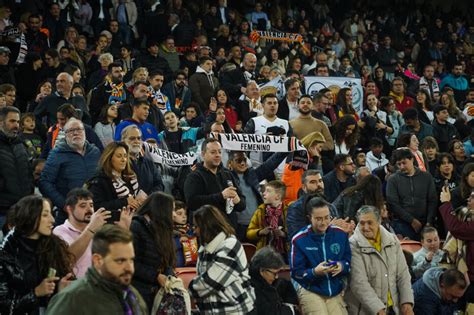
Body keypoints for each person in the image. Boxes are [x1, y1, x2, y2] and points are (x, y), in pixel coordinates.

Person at [46, 225, 148, 314]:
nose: (129, 268)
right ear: (98, 260)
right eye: (120, 261)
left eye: (131, 260)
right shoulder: (71, 299)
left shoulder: (133, 295)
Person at [0, 195, 74, 314]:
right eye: (45, 215)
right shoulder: (6, 254)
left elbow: (66, 280)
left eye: (50, 213)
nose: (52, 220)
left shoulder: (54, 246)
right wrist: (36, 293)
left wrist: (61, 290)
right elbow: (4, 306)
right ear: (30, 217)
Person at [345, 205, 414, 315]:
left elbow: (403, 274)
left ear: (379, 221)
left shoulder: (392, 240)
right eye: (362, 223)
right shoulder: (352, 245)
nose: (366, 227)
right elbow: (359, 283)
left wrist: (407, 302)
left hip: (393, 309)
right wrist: (378, 309)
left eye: (370, 223)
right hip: (366, 311)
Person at [189, 205, 256, 314]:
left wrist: (186, 292)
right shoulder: (204, 248)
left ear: (208, 227)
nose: (194, 231)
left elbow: (211, 282)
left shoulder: (230, 245)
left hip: (237, 311)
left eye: (196, 226)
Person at [290, 197, 351, 314]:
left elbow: (348, 262)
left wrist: (341, 266)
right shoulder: (299, 240)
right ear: (309, 218)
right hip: (310, 289)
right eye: (318, 219)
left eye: (327, 218)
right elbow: (296, 273)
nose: (323, 222)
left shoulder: (340, 235)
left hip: (335, 289)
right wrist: (314, 272)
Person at [40, 118, 100, 224]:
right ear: (65, 134)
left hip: (94, 212)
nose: (76, 133)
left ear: (84, 132)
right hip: (68, 215)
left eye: (79, 129)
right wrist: (64, 204)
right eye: (71, 130)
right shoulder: (57, 154)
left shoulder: (95, 152)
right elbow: (45, 182)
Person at [184, 138, 246, 228]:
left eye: (219, 152)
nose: (217, 155)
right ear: (203, 154)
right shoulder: (194, 177)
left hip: (230, 229)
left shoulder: (228, 174)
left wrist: (238, 201)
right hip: (207, 230)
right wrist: (221, 196)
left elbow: (242, 204)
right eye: (213, 152)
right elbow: (192, 202)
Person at [227, 150, 288, 241]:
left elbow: (269, 165)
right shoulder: (225, 178)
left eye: (245, 159)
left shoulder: (252, 174)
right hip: (237, 227)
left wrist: (285, 149)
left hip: (257, 225)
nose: (243, 163)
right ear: (230, 163)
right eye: (238, 160)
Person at [130, 192, 176, 309]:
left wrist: (169, 276)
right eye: (172, 210)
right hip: (139, 293)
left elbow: (168, 261)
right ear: (161, 210)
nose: (174, 215)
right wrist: (156, 276)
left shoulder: (164, 229)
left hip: (158, 292)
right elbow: (131, 263)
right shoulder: (136, 226)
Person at [386, 148, 437, 240]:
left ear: (412, 160)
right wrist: (412, 220)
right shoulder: (392, 180)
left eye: (404, 163)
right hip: (402, 224)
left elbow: (432, 200)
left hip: (425, 223)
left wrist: (429, 222)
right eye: (399, 164)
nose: (401, 167)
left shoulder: (426, 177)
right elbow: (393, 204)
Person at [86, 141, 145, 212]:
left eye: (125, 156)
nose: (124, 160)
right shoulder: (99, 180)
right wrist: (124, 202)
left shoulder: (131, 176)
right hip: (112, 220)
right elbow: (96, 206)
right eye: (119, 156)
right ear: (109, 158)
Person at [0, 106, 34, 228]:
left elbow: (28, 173)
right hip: (2, 212)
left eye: (18, 122)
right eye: (12, 121)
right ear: (1, 122)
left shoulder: (21, 144)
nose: (16, 125)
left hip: (22, 209)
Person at [249, 246, 298, 315]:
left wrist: (289, 304)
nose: (276, 277)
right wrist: (290, 309)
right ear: (262, 270)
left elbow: (288, 289)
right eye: (274, 273)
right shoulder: (253, 289)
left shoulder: (273, 281)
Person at [247, 180, 289, 256]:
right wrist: (260, 232)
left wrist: (283, 234)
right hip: (264, 254)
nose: (263, 193)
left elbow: (295, 233)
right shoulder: (260, 211)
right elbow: (249, 233)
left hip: (285, 254)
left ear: (278, 196)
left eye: (268, 191)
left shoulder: (289, 212)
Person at [121, 125, 164, 194]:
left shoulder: (149, 162)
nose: (136, 141)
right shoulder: (119, 163)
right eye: (132, 138)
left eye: (139, 138)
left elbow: (159, 184)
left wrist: (147, 197)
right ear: (123, 141)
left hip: (150, 202)